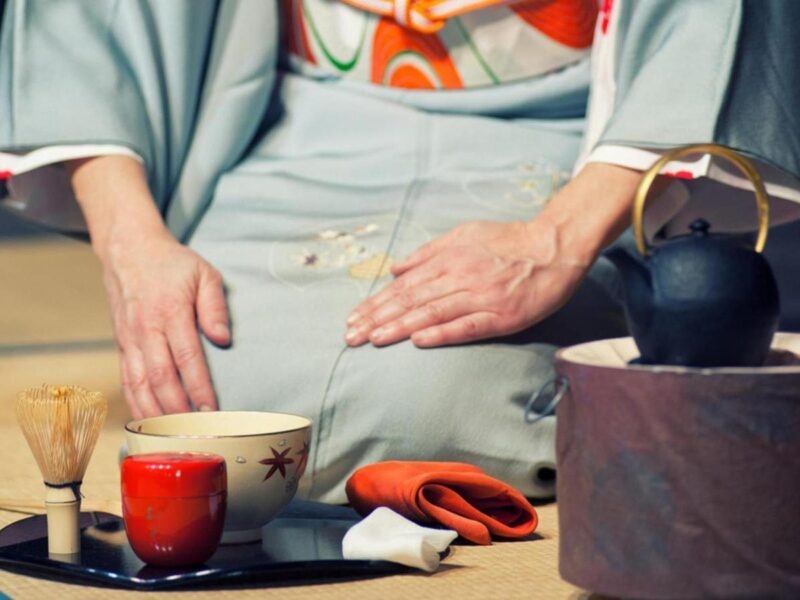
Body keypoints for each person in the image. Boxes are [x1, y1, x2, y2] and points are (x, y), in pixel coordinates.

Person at [1, 0, 799, 503]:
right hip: (299, 113)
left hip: (569, 133)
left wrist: (556, 240)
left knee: (435, 403)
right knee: (215, 403)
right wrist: (132, 245)